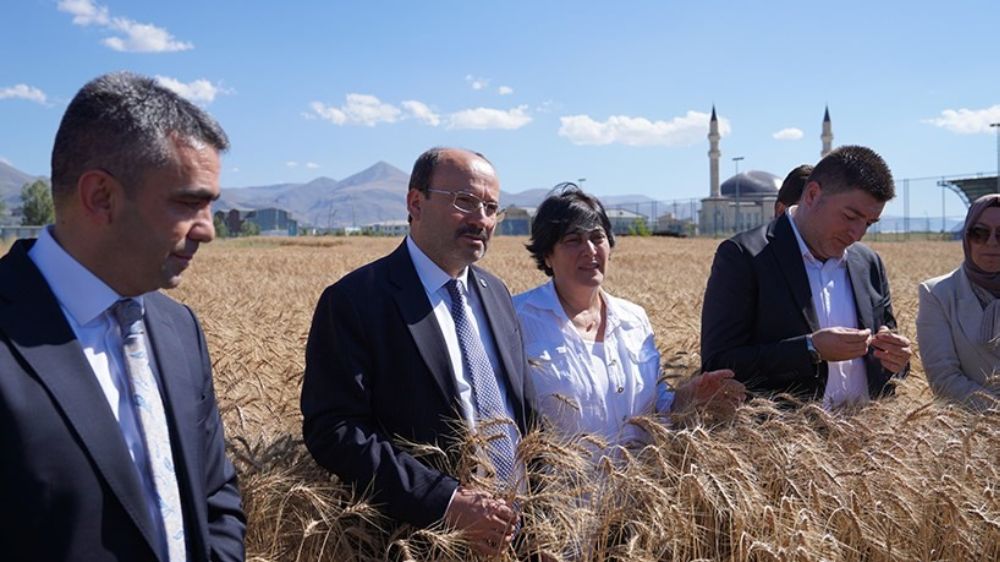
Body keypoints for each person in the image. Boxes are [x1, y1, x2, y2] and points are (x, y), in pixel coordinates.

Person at [0, 72, 245, 561]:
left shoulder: (179, 330)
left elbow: (215, 497)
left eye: (211, 206)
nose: (208, 231)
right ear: (101, 198)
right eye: (188, 203)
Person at [301, 147, 533, 557]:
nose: (481, 219)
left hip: (515, 535)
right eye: (465, 201)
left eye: (491, 207)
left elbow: (523, 413)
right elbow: (335, 429)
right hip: (420, 540)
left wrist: (539, 516)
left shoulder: (496, 294)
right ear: (415, 202)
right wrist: (444, 502)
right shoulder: (356, 300)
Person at [514, 185, 744, 445]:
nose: (589, 249)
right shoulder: (517, 319)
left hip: (638, 483)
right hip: (560, 485)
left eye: (597, 237)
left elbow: (657, 411)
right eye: (573, 240)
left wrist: (688, 396)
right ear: (546, 255)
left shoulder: (634, 320)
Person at [701, 145, 912, 408]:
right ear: (812, 195)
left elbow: (890, 363)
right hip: (780, 443)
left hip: (865, 441)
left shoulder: (868, 262)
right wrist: (810, 350)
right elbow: (718, 364)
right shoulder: (745, 256)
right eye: (850, 216)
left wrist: (898, 360)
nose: (857, 233)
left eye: (869, 223)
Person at [917, 194, 1000, 411]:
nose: (991, 242)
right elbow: (943, 379)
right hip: (972, 433)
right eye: (979, 233)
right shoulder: (937, 294)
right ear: (967, 236)